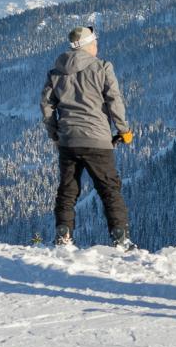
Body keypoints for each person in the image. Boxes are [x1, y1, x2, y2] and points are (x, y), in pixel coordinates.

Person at [39, 25, 133, 249]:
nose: (97, 46)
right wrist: (123, 130)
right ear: (88, 45)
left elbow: (47, 106)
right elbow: (114, 101)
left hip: (68, 140)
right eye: (95, 42)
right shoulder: (102, 67)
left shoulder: (55, 73)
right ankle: (121, 239)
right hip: (97, 140)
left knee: (67, 190)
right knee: (109, 190)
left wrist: (54, 134)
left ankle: (63, 236)